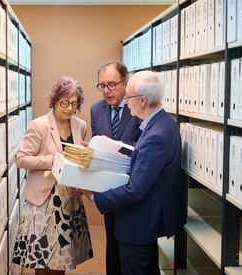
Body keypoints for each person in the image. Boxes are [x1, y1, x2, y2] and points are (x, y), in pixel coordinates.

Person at [83, 70, 184, 275]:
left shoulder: (155, 136)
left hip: (138, 224)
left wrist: (92, 196)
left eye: (129, 98)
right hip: (144, 221)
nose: (127, 103)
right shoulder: (162, 124)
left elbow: (135, 190)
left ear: (143, 100)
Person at [12, 76, 93, 275]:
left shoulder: (80, 126)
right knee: (43, 260)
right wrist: (53, 159)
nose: (69, 108)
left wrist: (86, 155)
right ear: (54, 101)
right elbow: (21, 159)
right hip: (45, 201)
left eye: (74, 104)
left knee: (61, 260)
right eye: (65, 102)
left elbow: (76, 160)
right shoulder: (39, 125)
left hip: (69, 199)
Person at [90, 61, 142, 275]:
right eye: (102, 85)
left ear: (126, 83)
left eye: (111, 85)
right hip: (108, 188)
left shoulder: (138, 108)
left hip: (133, 190)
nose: (106, 91)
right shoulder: (96, 109)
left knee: (132, 255)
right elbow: (98, 142)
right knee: (112, 248)